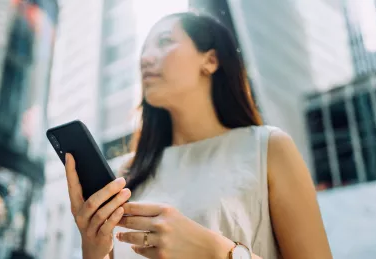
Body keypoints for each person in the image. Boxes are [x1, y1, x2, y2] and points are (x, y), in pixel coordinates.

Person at [64, 12, 333, 259]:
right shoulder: (126, 172)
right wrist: (93, 248)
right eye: (144, 50)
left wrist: (218, 252)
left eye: (165, 41)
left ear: (210, 60)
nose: (145, 58)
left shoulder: (268, 148)